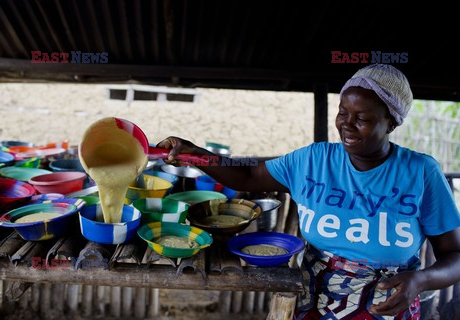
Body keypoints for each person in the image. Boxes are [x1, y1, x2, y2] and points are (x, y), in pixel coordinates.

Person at [158, 64, 460, 319]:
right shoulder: (314, 160)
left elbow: (455, 256)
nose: (347, 125)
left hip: (387, 308)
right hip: (312, 303)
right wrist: (194, 153)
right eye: (343, 112)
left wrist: (420, 280)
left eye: (362, 118)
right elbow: (247, 176)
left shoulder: (420, 172)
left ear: (391, 123)